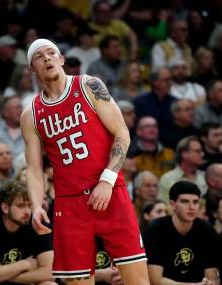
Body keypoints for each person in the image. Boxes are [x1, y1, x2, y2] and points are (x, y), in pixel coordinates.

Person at [21, 39, 149, 284]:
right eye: (39, 56)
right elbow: (35, 169)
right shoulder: (30, 115)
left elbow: (122, 133)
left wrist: (107, 181)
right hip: (70, 205)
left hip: (110, 191)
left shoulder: (89, 86)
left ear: (61, 59)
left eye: (51, 53)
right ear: (31, 69)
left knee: (138, 280)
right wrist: (37, 205)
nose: (47, 58)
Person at [0, 181, 55, 285]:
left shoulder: (39, 223)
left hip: (25, 282)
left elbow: (50, 273)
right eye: (21, 206)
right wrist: (24, 264)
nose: (27, 211)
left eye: (29, 205)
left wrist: (0, 270)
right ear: (5, 208)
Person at [144, 181, 219, 285]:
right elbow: (155, 280)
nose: (192, 207)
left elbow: (212, 278)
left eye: (195, 202)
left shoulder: (207, 230)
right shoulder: (156, 229)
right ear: (173, 205)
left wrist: (209, 283)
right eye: (185, 201)